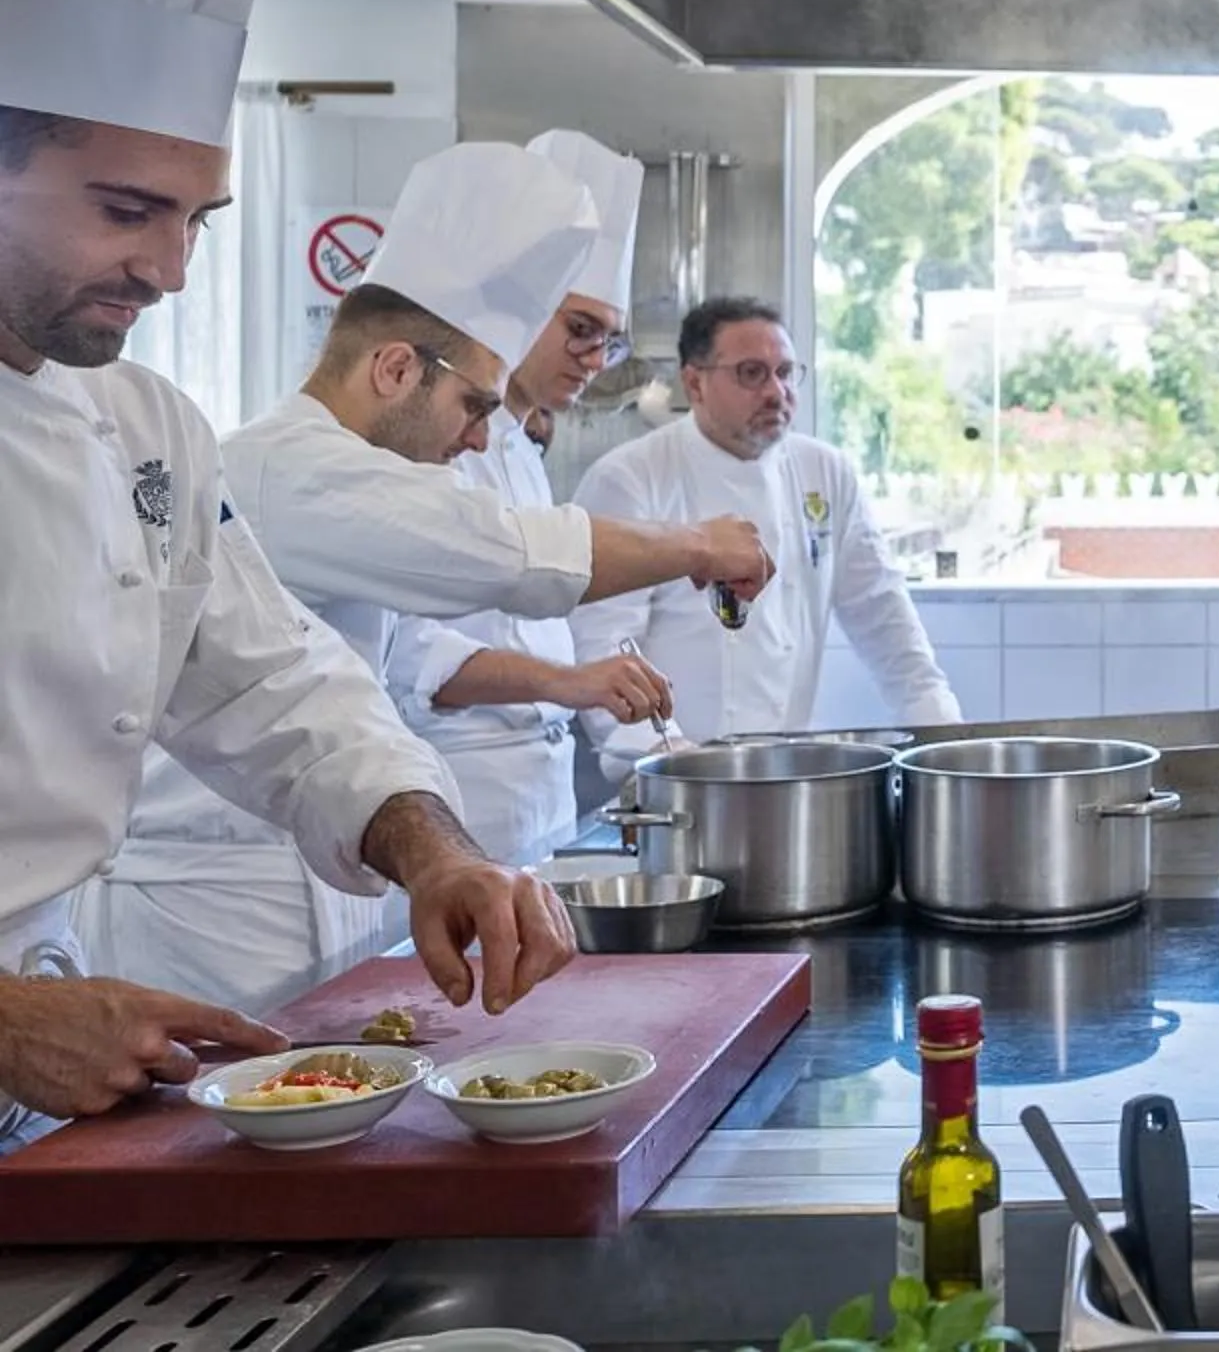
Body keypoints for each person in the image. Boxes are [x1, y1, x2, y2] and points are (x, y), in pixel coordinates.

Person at [0, 0, 567, 1130]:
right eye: (129, 210)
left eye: (197, 219)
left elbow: (275, 682)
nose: (168, 268)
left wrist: (429, 850)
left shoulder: (143, 430)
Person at [75, 143, 775, 1012]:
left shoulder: (287, 464)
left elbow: (323, 690)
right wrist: (700, 545)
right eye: (477, 406)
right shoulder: (284, 467)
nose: (486, 439)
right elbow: (503, 554)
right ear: (396, 368)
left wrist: (435, 850)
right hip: (211, 908)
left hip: (334, 869)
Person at [572, 297, 960, 760]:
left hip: (787, 774)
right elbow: (603, 644)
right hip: (672, 774)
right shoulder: (631, 477)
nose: (777, 392)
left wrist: (945, 742)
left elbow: (884, 617)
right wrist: (669, 757)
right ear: (694, 383)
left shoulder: (825, 471)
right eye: (752, 373)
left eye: (786, 372)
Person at [426, 129, 658, 861]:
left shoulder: (522, 448)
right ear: (518, 311)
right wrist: (569, 682)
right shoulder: (427, 447)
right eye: (581, 330)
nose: (595, 358)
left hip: (537, 798)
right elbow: (417, 657)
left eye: (610, 341)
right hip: (455, 799)